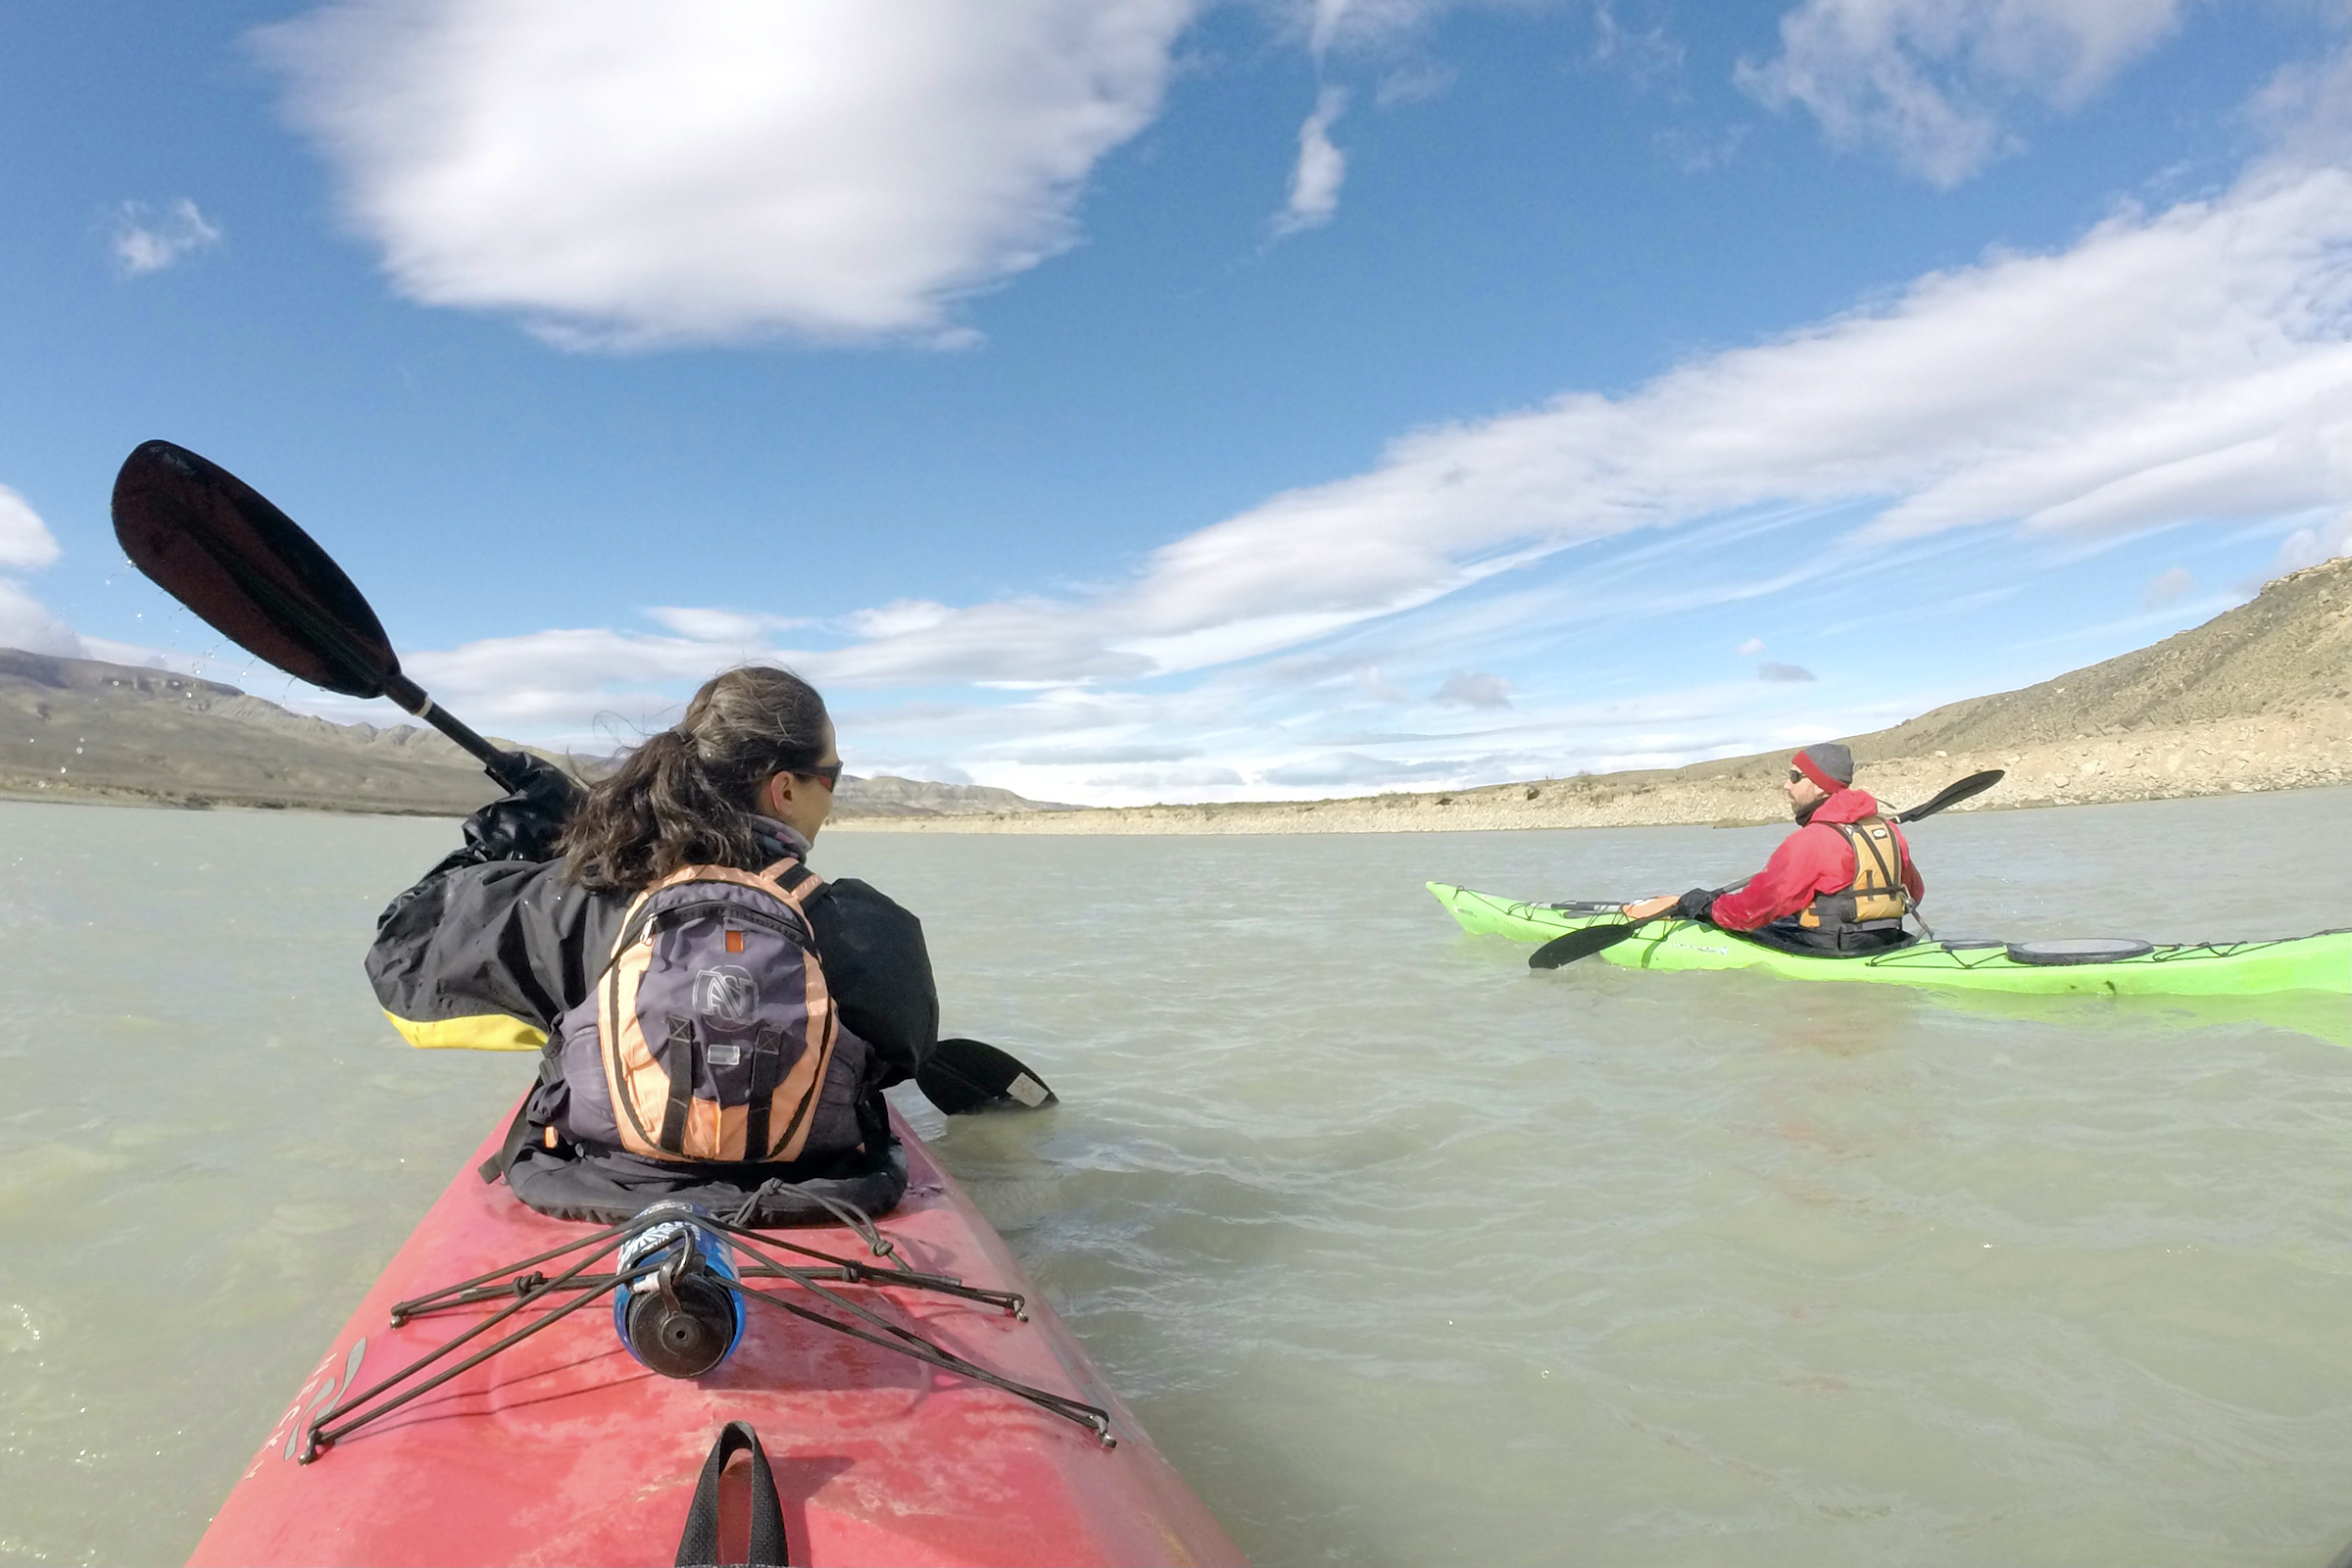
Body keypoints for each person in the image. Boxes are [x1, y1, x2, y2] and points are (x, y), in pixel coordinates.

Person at [366, 665, 938, 1225]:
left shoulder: (573, 905)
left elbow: (403, 956)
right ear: (784, 789)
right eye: (832, 776)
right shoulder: (869, 928)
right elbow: (903, 1052)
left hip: (600, 1187)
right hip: (819, 1195)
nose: (832, 798)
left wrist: (520, 829)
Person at [1626, 741, 1925, 956]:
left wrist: (1704, 906)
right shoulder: (1888, 831)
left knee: (1730, 921)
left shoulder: (1812, 841)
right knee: (1790, 915)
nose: (1786, 785)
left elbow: (1748, 914)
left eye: (1795, 776)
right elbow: (1915, 893)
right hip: (1886, 939)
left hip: (1832, 949)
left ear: (1821, 786)